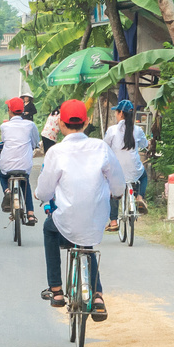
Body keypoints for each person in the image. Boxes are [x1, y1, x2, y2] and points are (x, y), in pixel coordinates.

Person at [35, 99, 123, 321]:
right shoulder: (101, 147)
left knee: (49, 229)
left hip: (66, 219)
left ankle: (56, 289)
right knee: (85, 243)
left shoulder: (55, 152)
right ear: (86, 123)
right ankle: (98, 297)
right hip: (95, 218)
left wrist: (40, 196)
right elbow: (118, 185)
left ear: (61, 125)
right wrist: (115, 193)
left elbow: (44, 191)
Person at [102, 99, 149, 229]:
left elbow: (104, 147)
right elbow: (145, 145)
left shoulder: (112, 130)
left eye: (116, 112)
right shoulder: (138, 130)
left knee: (112, 189)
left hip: (116, 170)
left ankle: (113, 222)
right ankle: (139, 198)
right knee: (143, 176)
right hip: (134, 169)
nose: (115, 115)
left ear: (121, 113)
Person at [0, 97, 38, 223]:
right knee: (25, 183)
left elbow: (4, 141)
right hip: (24, 165)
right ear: (23, 110)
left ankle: (7, 190)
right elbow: (35, 142)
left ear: (9, 111)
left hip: (7, 165)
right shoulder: (30, 125)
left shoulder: (4, 126)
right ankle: (30, 214)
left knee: (3, 176)